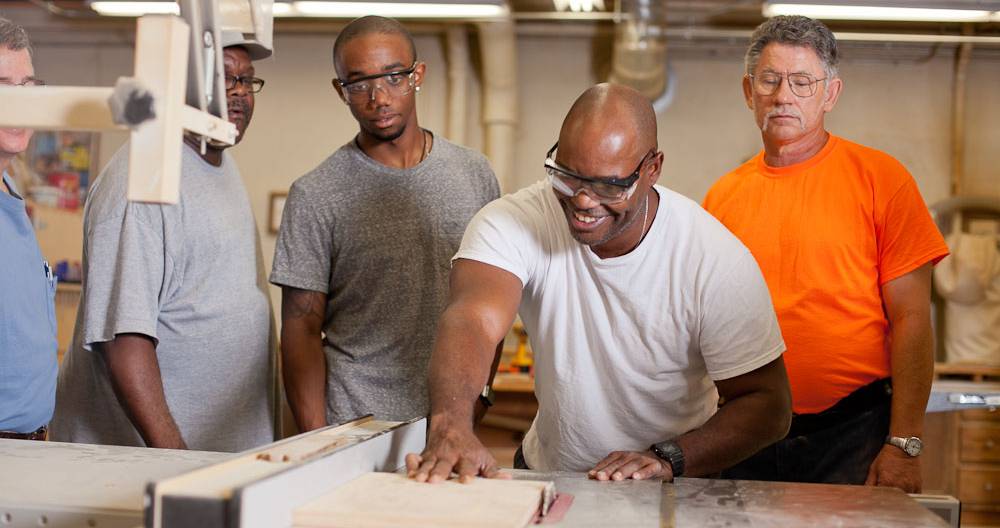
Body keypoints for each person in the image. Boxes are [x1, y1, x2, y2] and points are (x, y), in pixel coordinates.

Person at [407, 83, 792, 483]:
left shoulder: (712, 257)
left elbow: (768, 404)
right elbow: (473, 318)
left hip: (673, 484)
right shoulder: (513, 220)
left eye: (610, 185)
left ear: (653, 169)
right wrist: (451, 424)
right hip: (550, 472)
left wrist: (669, 459)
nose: (584, 201)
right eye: (568, 176)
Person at [703, 15, 949, 492]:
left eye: (801, 82)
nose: (783, 96)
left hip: (853, 431)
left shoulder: (882, 179)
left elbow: (913, 319)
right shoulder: (722, 197)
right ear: (748, 91)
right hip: (745, 429)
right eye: (770, 80)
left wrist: (905, 443)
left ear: (830, 94)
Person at [49, 32, 277, 452]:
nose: (240, 93)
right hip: (147, 468)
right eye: (224, 79)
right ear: (179, 87)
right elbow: (124, 340)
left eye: (247, 80)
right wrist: (173, 460)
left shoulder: (215, 162)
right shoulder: (140, 185)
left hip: (216, 461)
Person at [270, 16, 499, 432]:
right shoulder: (316, 193)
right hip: (352, 419)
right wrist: (319, 436)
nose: (378, 97)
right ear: (341, 90)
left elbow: (492, 294)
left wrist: (478, 395)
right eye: (359, 83)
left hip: (448, 418)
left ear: (418, 75)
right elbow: (301, 327)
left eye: (394, 77)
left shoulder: (474, 173)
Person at [0, 16, 57, 442]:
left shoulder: (11, 190)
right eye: (3, 88)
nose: (19, 104)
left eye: (27, 89)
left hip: (29, 444)